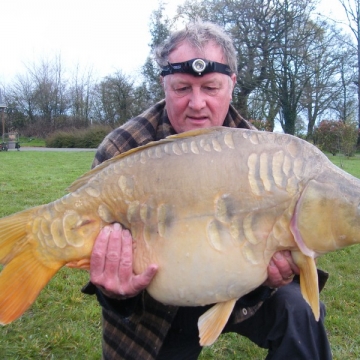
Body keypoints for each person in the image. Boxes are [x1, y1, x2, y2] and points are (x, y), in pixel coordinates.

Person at [82, 21, 332, 360]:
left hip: (238, 288)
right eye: (183, 88)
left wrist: (272, 277)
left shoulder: (258, 151)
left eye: (210, 88)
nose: (197, 104)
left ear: (231, 85)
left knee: (298, 310)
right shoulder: (123, 147)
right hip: (155, 303)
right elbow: (102, 267)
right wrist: (116, 292)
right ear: (164, 85)